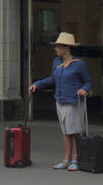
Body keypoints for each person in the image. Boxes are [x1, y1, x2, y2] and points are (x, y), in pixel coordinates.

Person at [29, 32, 91, 171]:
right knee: (65, 131)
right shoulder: (56, 63)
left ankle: (75, 159)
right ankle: (66, 159)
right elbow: (52, 79)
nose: (55, 49)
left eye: (57, 46)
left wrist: (83, 89)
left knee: (74, 132)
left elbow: (87, 82)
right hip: (60, 100)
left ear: (66, 47)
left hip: (74, 101)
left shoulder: (79, 65)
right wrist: (37, 85)